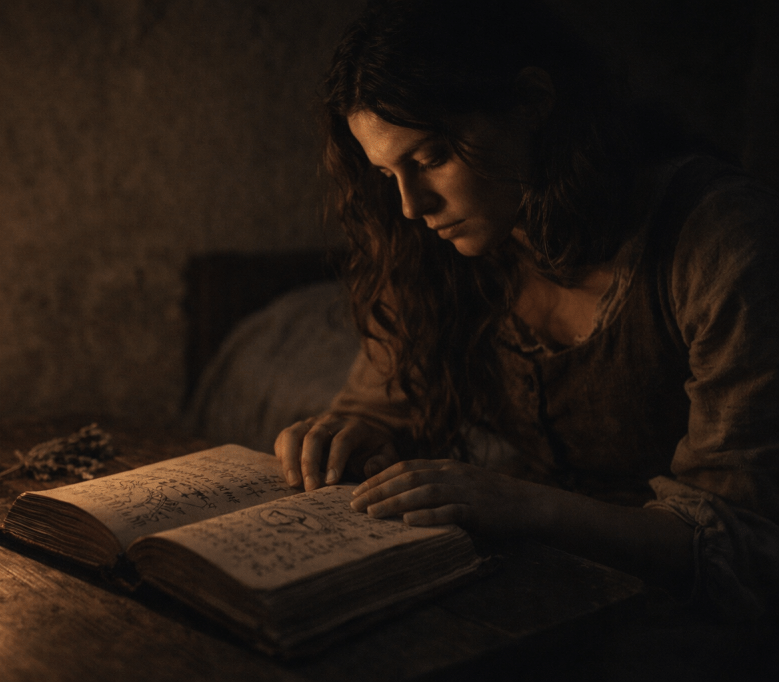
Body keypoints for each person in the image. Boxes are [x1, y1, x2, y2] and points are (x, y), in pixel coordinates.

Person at [274, 0, 778, 620]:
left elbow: (739, 541)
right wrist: (355, 437)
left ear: (532, 102)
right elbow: (378, 403)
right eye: (386, 174)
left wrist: (520, 504)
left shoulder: (720, 241)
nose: (410, 204)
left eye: (431, 157)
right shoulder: (431, 252)